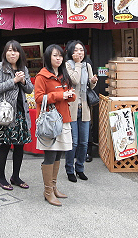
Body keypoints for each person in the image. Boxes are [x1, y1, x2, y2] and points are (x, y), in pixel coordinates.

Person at [0, 41, 33, 190]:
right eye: (10, 50)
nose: (13, 53)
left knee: (19, 147)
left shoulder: (23, 68)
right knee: (5, 145)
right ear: (5, 53)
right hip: (5, 114)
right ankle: (1, 177)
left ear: (20, 54)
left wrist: (23, 80)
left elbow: (30, 89)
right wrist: (14, 80)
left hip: (20, 113)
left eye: (16, 51)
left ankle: (15, 176)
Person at [33, 44, 76, 206]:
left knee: (59, 155)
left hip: (63, 119)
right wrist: (60, 95)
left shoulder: (64, 74)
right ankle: (47, 191)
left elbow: (69, 94)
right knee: (50, 156)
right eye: (55, 56)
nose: (59, 59)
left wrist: (70, 95)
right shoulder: (42, 76)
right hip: (49, 122)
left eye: (60, 56)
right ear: (48, 57)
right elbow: (38, 98)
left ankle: (53, 187)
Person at [64, 40, 98, 182]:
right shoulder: (67, 65)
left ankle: (80, 168)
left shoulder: (87, 65)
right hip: (71, 108)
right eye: (76, 50)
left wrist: (93, 81)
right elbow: (75, 80)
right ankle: (69, 169)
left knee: (84, 142)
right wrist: (78, 64)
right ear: (71, 52)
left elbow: (90, 85)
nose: (80, 52)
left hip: (84, 108)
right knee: (73, 142)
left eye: (82, 50)